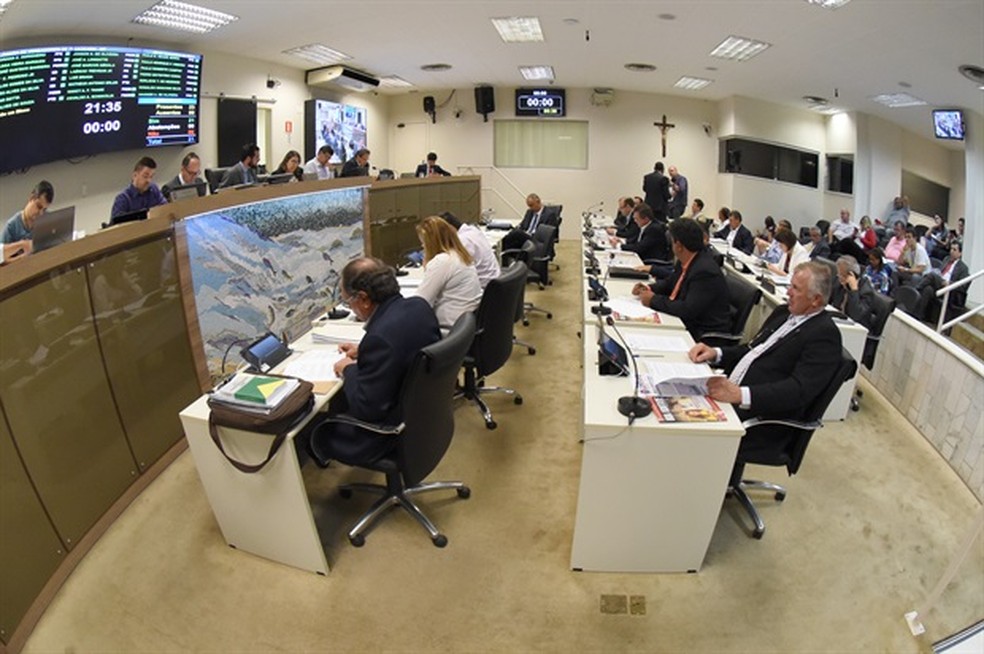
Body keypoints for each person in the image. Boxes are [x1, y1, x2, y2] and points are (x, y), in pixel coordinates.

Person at [308, 257, 441, 467]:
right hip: (423, 417)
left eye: (348, 302)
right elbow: (404, 346)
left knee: (316, 427)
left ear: (364, 299)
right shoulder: (418, 307)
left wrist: (348, 369)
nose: (350, 309)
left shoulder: (380, 338)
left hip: (387, 432)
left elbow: (366, 409)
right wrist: (365, 352)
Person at [688, 261, 843, 427]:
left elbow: (798, 391)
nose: (788, 292)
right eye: (791, 285)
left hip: (756, 417)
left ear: (816, 299)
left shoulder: (824, 335)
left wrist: (741, 394)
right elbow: (752, 349)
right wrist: (716, 353)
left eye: (796, 288)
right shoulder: (783, 313)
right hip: (728, 394)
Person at [630, 218, 731, 340]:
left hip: (699, 335)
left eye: (672, 241)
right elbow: (670, 283)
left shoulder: (705, 271)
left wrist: (653, 300)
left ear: (678, 246)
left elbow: (687, 309)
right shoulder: (687, 259)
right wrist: (648, 288)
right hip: (681, 321)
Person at [415, 216, 483, 333]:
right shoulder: (459, 254)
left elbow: (420, 302)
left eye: (424, 242)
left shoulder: (443, 261)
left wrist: (427, 265)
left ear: (432, 242)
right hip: (465, 326)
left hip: (450, 330)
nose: (423, 246)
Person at [439, 211, 500, 288]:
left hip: (483, 286)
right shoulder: (473, 230)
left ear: (450, 228)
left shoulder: (462, 241)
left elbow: (457, 270)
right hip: (492, 279)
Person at [914, 241, 969, 319]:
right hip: (939, 283)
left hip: (948, 289)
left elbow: (962, 286)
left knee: (932, 275)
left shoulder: (963, 268)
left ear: (960, 253)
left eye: (954, 250)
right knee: (928, 289)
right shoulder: (946, 259)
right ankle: (918, 315)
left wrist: (949, 283)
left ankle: (916, 288)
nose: (951, 251)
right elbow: (940, 271)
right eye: (951, 249)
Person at [1, 180, 54, 261]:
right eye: (38, 206)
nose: (41, 213)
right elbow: (1, 259)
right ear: (31, 198)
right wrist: (22, 255)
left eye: (44, 209)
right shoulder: (12, 226)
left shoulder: (47, 220)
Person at [830, 256, 876, 329]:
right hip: (838, 322)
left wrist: (854, 290)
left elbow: (856, 315)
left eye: (842, 275)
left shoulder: (866, 291)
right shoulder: (839, 281)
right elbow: (826, 300)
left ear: (852, 275)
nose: (839, 278)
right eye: (838, 274)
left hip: (856, 329)